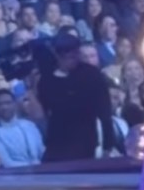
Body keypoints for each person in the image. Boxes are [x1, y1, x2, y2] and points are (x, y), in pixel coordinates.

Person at [37, 29, 115, 161]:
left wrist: (108, 145)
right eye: (66, 56)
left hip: (84, 140)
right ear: (57, 54)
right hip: (56, 141)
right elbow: (44, 112)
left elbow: (104, 111)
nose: (71, 59)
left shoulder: (91, 75)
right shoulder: (46, 79)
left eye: (74, 55)